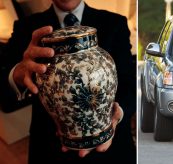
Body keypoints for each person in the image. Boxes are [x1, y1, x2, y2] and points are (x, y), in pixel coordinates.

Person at [0, 0, 136, 163]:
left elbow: (129, 84)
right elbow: (3, 84)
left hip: (112, 150)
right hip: (51, 149)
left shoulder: (115, 22)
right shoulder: (26, 27)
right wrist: (18, 74)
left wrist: (116, 115)